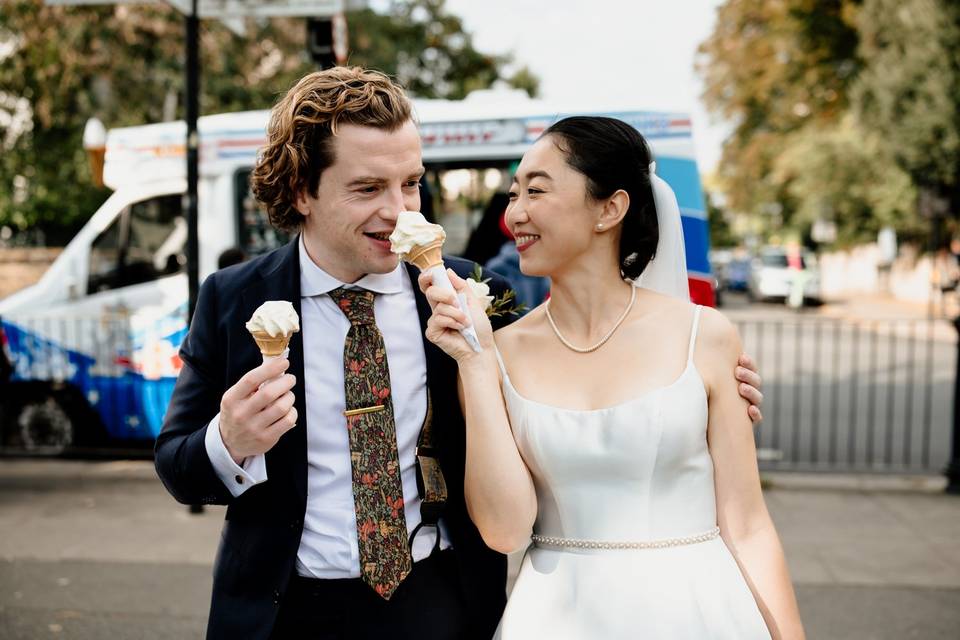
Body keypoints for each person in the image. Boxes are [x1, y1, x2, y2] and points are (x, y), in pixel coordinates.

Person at [154, 67, 765, 640]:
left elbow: (562, 387)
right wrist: (229, 442)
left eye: (411, 183)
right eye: (369, 188)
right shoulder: (234, 301)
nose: (400, 211)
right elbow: (178, 465)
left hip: (440, 602)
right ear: (301, 191)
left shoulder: (476, 293)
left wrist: (695, 393)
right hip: (283, 611)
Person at [421, 116, 802, 638]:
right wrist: (477, 366)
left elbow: (750, 526)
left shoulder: (705, 336)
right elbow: (505, 530)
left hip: (697, 611)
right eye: (513, 194)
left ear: (610, 208)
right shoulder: (496, 351)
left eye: (536, 190)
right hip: (553, 618)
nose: (515, 215)